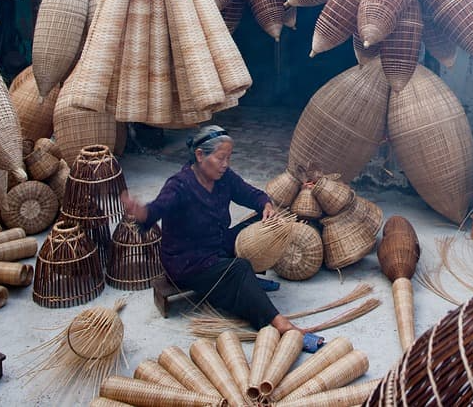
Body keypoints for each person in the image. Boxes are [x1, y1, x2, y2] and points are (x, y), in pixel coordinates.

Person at [120, 125, 323, 351]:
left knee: (263, 221)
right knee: (240, 268)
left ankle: (249, 287)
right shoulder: (178, 186)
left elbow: (250, 193)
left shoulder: (224, 178)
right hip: (188, 262)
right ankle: (280, 324)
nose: (225, 164)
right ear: (200, 155)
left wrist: (266, 206)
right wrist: (142, 213)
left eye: (228, 158)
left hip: (216, 244)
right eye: (220, 158)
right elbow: (156, 209)